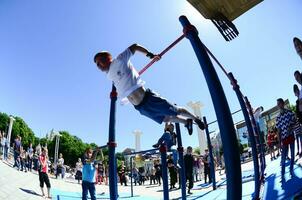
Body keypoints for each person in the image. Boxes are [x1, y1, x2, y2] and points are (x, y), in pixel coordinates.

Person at [93, 44, 205, 135]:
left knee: (175, 110)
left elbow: (135, 46)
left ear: (108, 58)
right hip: (139, 107)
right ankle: (186, 122)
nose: (98, 65)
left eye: (99, 61)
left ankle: (195, 118)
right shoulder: (109, 75)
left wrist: (150, 55)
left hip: (147, 98)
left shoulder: (120, 59)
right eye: (97, 64)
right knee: (165, 119)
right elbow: (122, 83)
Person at [275, 98, 296, 182]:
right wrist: (279, 142)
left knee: (292, 155)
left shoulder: (289, 112)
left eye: (279, 103)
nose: (278, 105)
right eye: (277, 104)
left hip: (290, 136)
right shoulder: (278, 117)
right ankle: (282, 174)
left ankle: (291, 170)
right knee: (283, 157)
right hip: (284, 139)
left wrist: (290, 128)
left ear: (283, 103)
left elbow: (294, 122)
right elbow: (278, 130)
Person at [293, 84, 302, 157]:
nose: (295, 94)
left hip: (300, 122)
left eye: (295, 92)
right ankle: (300, 151)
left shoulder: (300, 97)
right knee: (299, 139)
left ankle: (300, 151)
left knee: (301, 139)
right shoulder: (297, 101)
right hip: (300, 121)